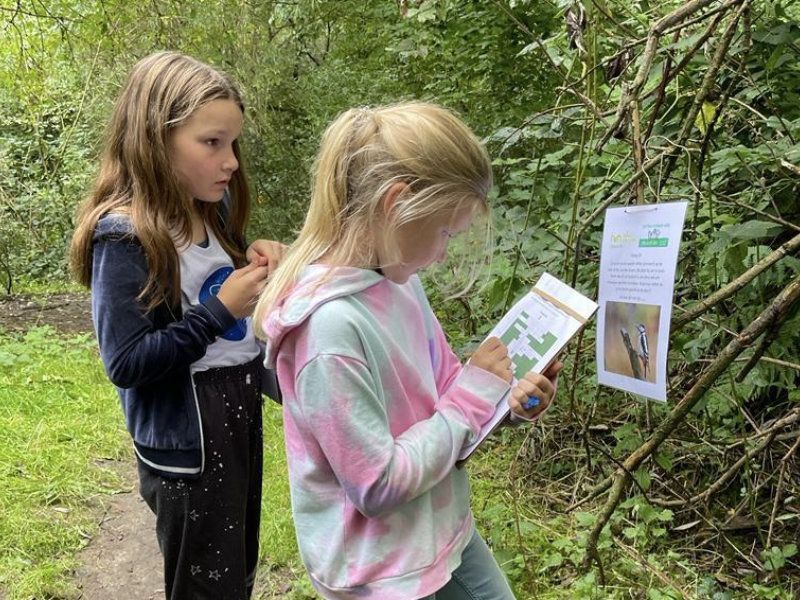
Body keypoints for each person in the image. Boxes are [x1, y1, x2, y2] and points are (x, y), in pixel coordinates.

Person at [253, 102, 562, 600]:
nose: (442, 253)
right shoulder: (329, 330)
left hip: (438, 533)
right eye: (444, 231)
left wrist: (504, 402)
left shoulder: (397, 281)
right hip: (382, 572)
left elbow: (446, 393)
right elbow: (376, 485)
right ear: (396, 203)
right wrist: (472, 398)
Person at [69, 51, 284, 599]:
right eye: (212, 143)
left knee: (235, 570)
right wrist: (218, 312)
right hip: (189, 446)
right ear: (153, 139)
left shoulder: (211, 208)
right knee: (202, 584)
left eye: (233, 143)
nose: (231, 160)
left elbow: (228, 315)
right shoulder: (125, 236)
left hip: (239, 418)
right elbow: (127, 362)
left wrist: (257, 266)